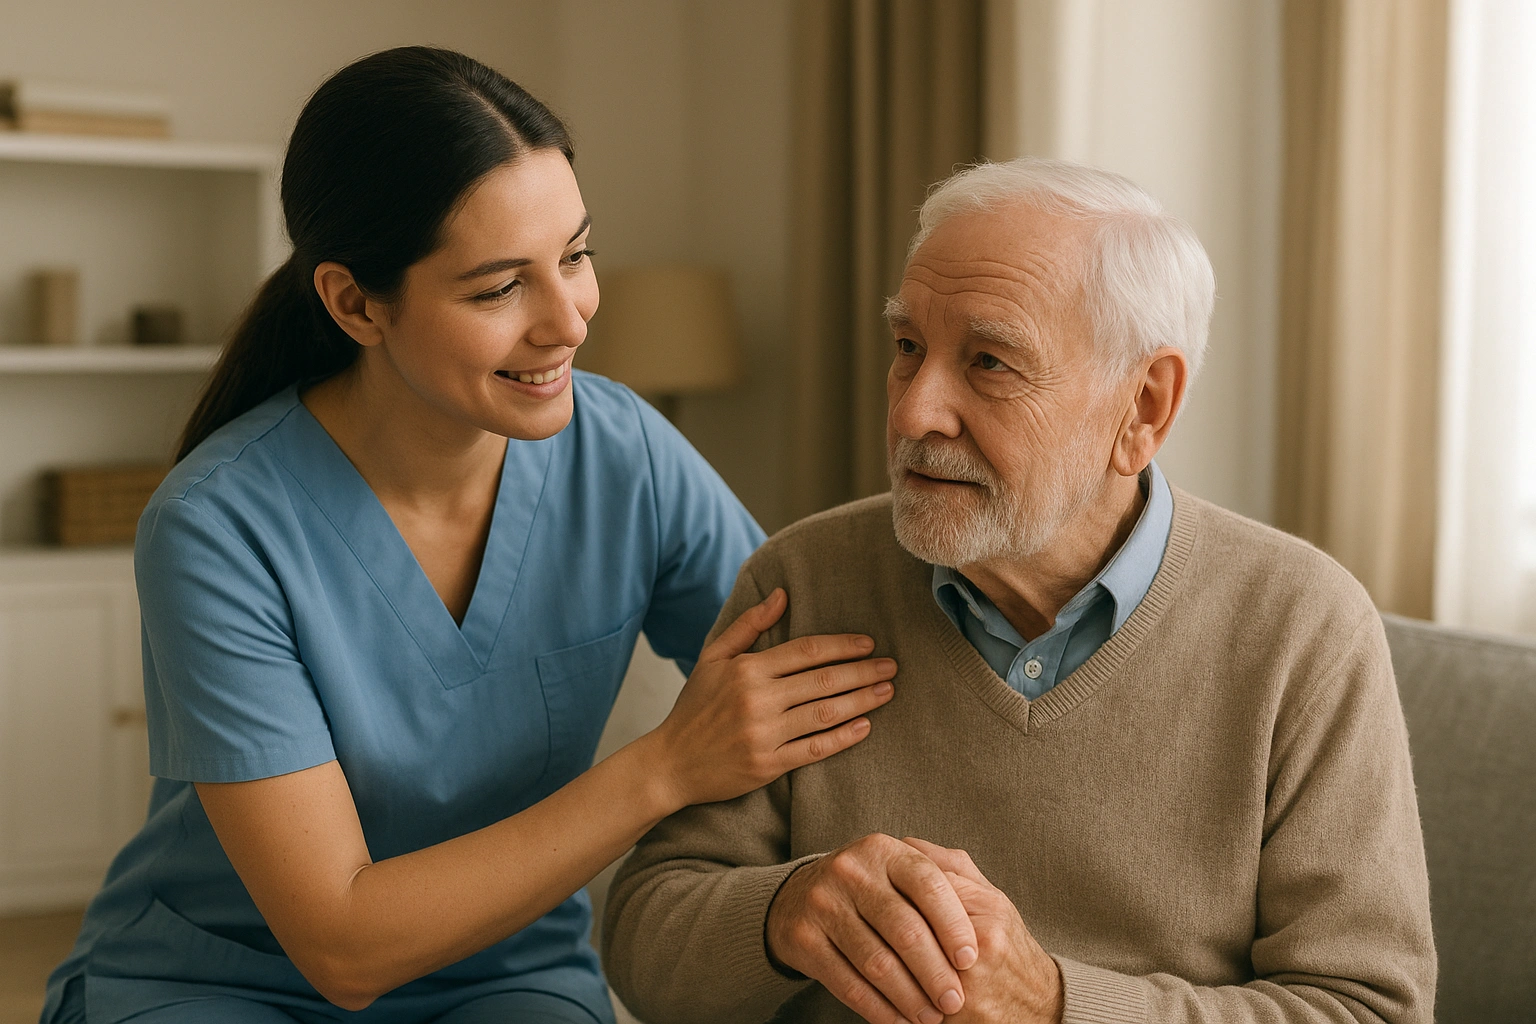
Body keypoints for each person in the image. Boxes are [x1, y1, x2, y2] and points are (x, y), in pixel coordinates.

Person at [41, 47, 900, 1024]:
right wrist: (663, 766)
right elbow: (342, 943)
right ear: (355, 303)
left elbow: (818, 676)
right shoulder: (218, 525)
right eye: (499, 289)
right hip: (218, 978)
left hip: (506, 975)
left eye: (574, 255)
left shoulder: (626, 455)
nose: (568, 320)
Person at [603, 158, 1436, 1024]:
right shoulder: (803, 582)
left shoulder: (1303, 628)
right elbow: (644, 939)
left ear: (1144, 407)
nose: (914, 411)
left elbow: (1370, 1009)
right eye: (907, 348)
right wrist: (783, 913)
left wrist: (1054, 1006)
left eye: (991, 362)